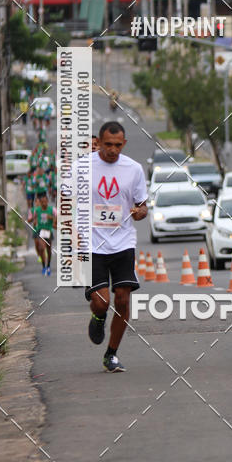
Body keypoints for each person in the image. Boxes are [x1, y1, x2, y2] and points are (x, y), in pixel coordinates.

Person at [85, 121, 148, 373]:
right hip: (92, 243)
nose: (113, 150)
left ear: (124, 143)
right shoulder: (83, 167)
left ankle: (111, 354)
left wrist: (139, 212)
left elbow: (142, 205)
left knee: (122, 299)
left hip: (123, 242)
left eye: (118, 145)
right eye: (108, 144)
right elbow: (68, 200)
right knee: (102, 302)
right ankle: (98, 316)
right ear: (98, 142)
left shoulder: (133, 169)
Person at [33, 192, 56, 275]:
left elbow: (57, 217)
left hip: (48, 231)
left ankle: (48, 265)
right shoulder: (37, 210)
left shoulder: (52, 209)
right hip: (41, 230)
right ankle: (43, 266)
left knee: (49, 250)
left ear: (47, 202)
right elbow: (34, 218)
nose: (44, 204)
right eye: (42, 202)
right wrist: (35, 221)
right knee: (42, 247)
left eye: (45, 202)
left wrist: (52, 219)